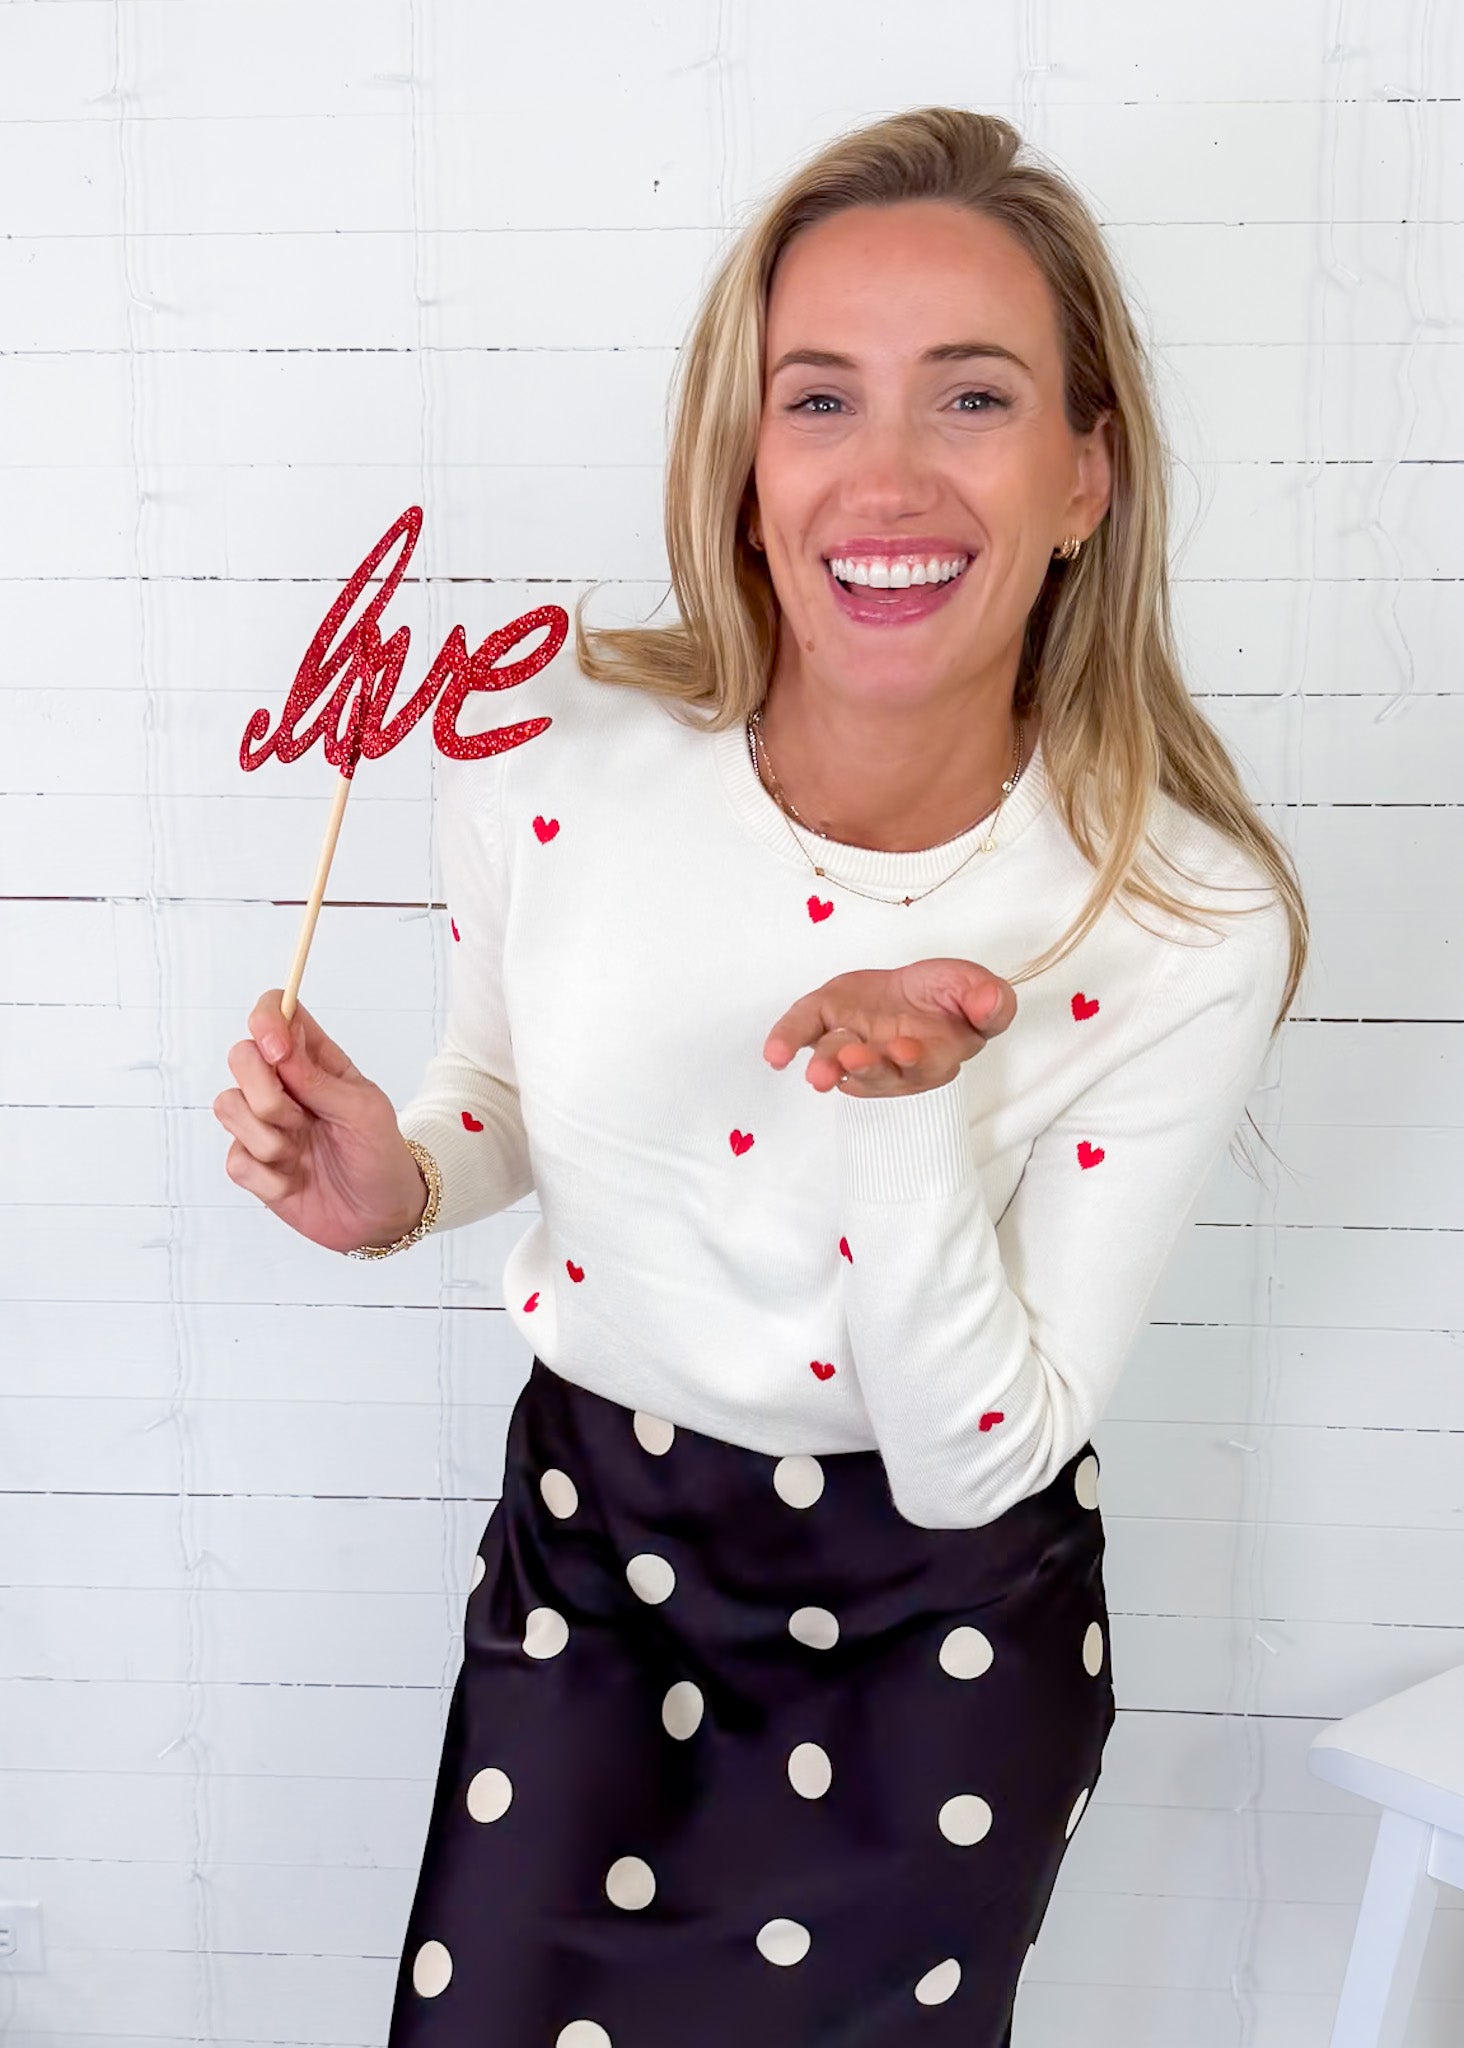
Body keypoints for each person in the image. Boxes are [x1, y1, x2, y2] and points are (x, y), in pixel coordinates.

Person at [216, 106, 1308, 2048]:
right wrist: (405, 1180)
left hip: (936, 1643)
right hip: (593, 1572)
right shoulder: (551, 760)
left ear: (1086, 472)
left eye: (972, 397)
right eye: (820, 399)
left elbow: (978, 1458)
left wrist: (909, 1113)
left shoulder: (1183, 918)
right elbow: (502, 1088)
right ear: (744, 462)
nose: (886, 474)